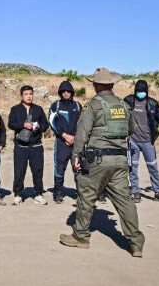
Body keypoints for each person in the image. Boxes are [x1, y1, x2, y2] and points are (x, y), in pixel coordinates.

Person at [60, 68, 145, 258]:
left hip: (98, 160)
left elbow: (82, 133)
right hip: (120, 160)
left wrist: (76, 156)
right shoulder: (124, 106)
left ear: (96, 85)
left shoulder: (93, 106)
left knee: (86, 195)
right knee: (125, 200)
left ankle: (81, 236)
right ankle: (136, 243)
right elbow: (131, 129)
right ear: (112, 85)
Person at [123, 80, 159, 204]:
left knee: (153, 167)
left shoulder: (152, 103)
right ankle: (135, 192)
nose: (141, 93)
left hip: (147, 141)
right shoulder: (128, 101)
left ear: (146, 91)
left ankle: (158, 192)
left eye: (143, 91)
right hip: (132, 140)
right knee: (132, 167)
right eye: (138, 91)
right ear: (135, 91)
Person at [8, 85, 49, 205]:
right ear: (21, 96)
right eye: (26, 94)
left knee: (38, 171)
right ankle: (18, 194)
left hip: (36, 146)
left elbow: (45, 124)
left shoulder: (38, 109)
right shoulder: (15, 109)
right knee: (19, 171)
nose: (29, 96)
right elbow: (11, 124)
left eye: (30, 94)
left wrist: (39, 127)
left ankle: (38, 193)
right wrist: (23, 125)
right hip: (21, 147)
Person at [48, 81, 81, 204]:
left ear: (72, 92)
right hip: (61, 143)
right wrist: (64, 136)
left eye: (68, 91)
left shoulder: (78, 106)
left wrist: (75, 138)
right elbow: (52, 121)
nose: (66, 93)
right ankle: (58, 193)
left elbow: (82, 123)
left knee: (78, 168)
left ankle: (80, 194)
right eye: (63, 91)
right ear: (60, 93)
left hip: (76, 143)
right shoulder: (55, 105)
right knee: (59, 169)